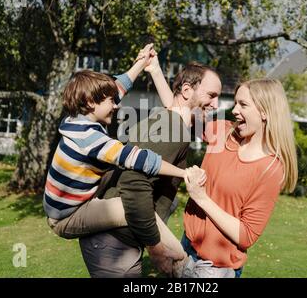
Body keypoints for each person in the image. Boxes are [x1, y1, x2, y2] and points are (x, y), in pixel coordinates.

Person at [78, 57, 225, 278]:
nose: (216, 105)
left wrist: (156, 71)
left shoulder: (165, 118)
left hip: (112, 238)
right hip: (114, 243)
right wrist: (155, 249)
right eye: (211, 96)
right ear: (187, 90)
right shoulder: (174, 130)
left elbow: (173, 105)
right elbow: (134, 184)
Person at [43, 44, 204, 238]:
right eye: (111, 101)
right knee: (134, 209)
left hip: (66, 206)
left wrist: (143, 63)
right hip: (67, 218)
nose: (117, 105)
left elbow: (119, 86)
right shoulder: (91, 139)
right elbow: (141, 160)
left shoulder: (77, 118)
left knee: (153, 204)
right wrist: (183, 173)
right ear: (90, 102)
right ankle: (177, 260)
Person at [182, 78, 298, 277]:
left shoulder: (270, 169)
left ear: (265, 112)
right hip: (186, 247)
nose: (234, 110)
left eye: (243, 104)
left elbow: (246, 235)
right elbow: (180, 112)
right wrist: (155, 71)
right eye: (236, 103)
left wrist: (201, 198)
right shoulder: (225, 132)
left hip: (215, 268)